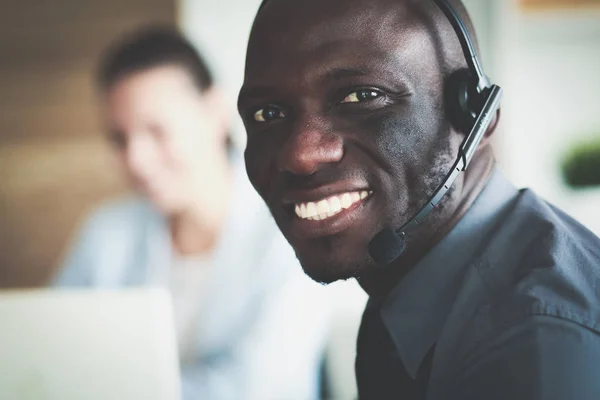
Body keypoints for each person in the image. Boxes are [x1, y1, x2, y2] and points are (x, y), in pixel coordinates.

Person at [237, 0, 600, 399]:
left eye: (362, 96)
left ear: (475, 115)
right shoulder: (411, 290)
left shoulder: (531, 346)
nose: (300, 155)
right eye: (267, 114)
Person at [53, 26, 330, 400]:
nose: (136, 159)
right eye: (119, 138)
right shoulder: (104, 233)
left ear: (215, 112)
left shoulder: (293, 230)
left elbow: (263, 387)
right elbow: (53, 356)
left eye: (157, 131)